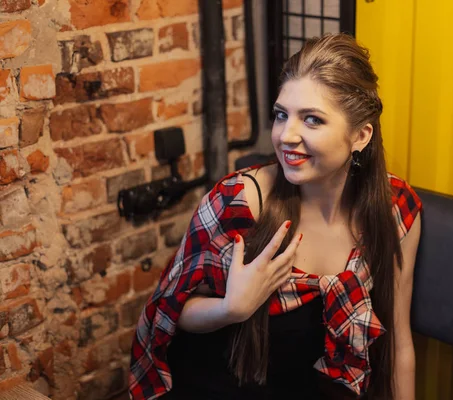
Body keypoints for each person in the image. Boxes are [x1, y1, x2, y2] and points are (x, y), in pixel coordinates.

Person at [129, 33, 422, 400]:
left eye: (312, 120)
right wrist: (230, 309)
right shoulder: (236, 203)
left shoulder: (395, 209)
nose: (286, 135)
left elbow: (398, 343)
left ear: (361, 135)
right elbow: (169, 311)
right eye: (282, 115)